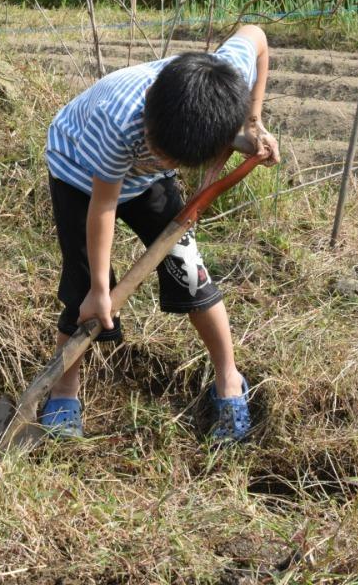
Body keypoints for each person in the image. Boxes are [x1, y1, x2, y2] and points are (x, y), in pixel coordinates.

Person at [40, 25, 280, 443]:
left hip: (145, 183)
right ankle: (63, 391)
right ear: (150, 107)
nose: (158, 154)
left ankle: (228, 381)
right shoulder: (118, 122)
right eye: (157, 147)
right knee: (83, 289)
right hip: (79, 173)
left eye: (171, 157)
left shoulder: (222, 76)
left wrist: (253, 124)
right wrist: (100, 289)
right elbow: (104, 205)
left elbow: (256, 37)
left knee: (189, 269)